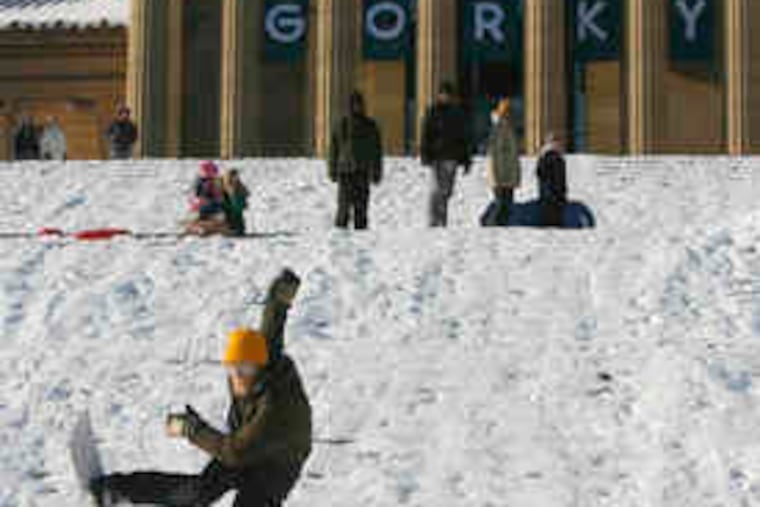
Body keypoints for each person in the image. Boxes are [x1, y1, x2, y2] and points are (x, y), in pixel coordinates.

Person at [90, 269, 311, 507]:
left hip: (278, 463)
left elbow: (236, 452)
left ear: (260, 367)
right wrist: (280, 294)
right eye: (233, 367)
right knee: (198, 492)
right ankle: (119, 489)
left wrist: (192, 429)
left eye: (246, 369)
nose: (238, 375)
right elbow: (272, 325)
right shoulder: (260, 356)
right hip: (244, 442)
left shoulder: (275, 405)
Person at [328, 91, 383, 230]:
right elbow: (334, 149)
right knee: (343, 209)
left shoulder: (370, 126)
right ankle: (339, 241)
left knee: (361, 210)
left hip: (362, 171)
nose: (357, 107)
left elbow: (377, 152)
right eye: (354, 104)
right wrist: (332, 169)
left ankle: (362, 242)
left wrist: (377, 172)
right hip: (345, 172)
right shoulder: (341, 124)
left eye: (359, 104)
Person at [420, 82, 472, 227]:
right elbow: (426, 134)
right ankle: (433, 221)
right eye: (444, 94)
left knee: (446, 192)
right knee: (436, 190)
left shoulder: (457, 113)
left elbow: (463, 138)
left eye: (449, 94)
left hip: (452, 158)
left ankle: (442, 220)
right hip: (436, 157)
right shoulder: (432, 112)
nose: (446, 97)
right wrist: (425, 154)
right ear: (439, 95)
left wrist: (466, 160)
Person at [482, 98, 521, 227]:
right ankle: (489, 226)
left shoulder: (510, 129)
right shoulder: (497, 129)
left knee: (507, 207)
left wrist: (516, 176)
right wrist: (496, 176)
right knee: (501, 206)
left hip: (509, 176)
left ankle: (499, 230)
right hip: (500, 176)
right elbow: (494, 155)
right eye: (507, 111)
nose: (510, 114)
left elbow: (513, 157)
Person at [186, 160, 228, 236]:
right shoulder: (200, 182)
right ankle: (198, 226)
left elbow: (220, 194)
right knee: (199, 216)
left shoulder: (216, 182)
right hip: (202, 206)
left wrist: (220, 199)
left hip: (214, 206)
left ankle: (214, 227)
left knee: (218, 217)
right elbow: (195, 194)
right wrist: (197, 200)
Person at [536, 133, 567, 227]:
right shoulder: (552, 157)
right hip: (551, 195)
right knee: (552, 223)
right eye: (556, 141)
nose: (559, 144)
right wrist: (557, 192)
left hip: (552, 195)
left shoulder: (552, 156)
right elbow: (547, 176)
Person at [221, 168, 251, 236]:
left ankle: (240, 230)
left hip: (238, 205)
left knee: (239, 218)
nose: (235, 178)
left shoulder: (239, 184)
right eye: (233, 176)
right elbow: (223, 195)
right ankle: (231, 230)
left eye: (236, 176)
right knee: (230, 218)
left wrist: (244, 196)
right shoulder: (226, 184)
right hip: (229, 206)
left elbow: (246, 192)